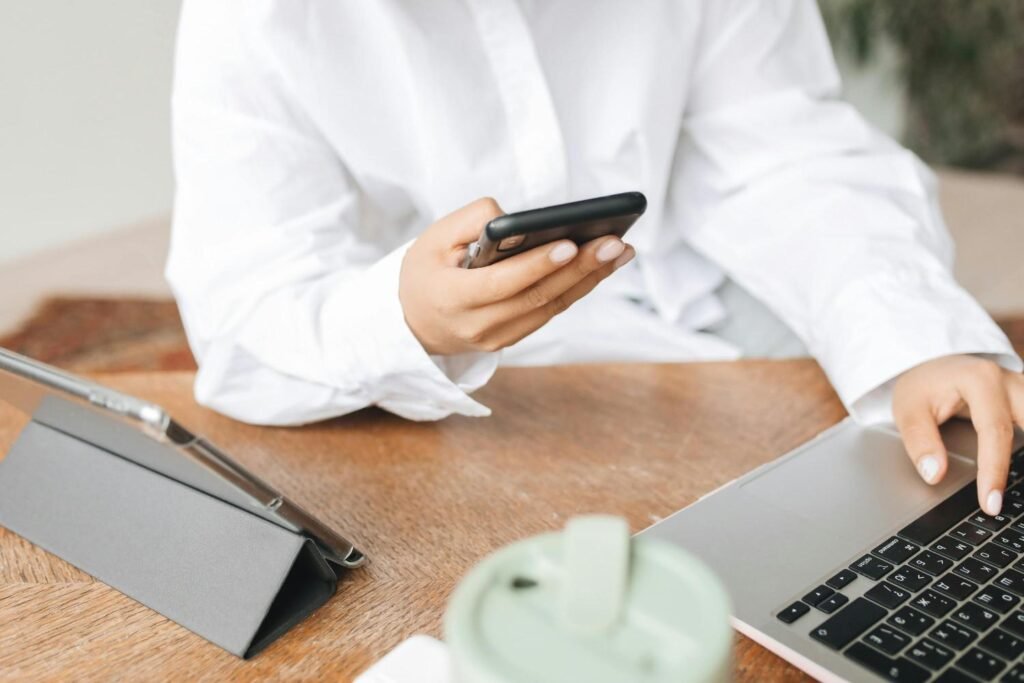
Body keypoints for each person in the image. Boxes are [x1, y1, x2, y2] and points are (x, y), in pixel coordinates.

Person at [167, 0, 1023, 515]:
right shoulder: (250, 17)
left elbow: (784, 143)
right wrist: (408, 318)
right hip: (475, 372)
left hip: (719, 280)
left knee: (924, 472)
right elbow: (244, 305)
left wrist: (915, 332)